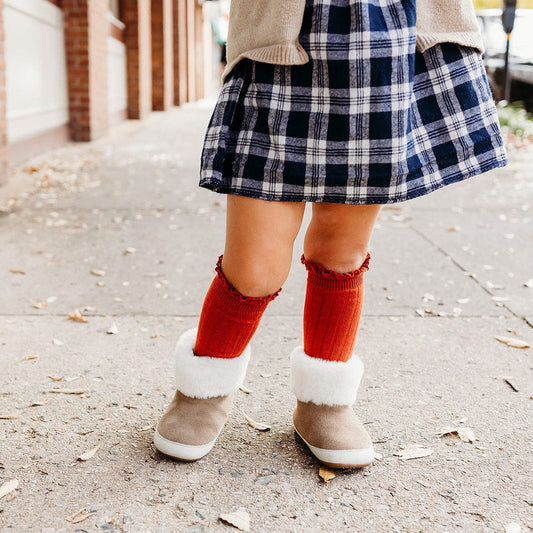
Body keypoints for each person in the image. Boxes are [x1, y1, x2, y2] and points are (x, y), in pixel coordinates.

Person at [154, 0, 507, 468]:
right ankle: (203, 391)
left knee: (340, 252)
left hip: (384, 53)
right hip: (281, 54)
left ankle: (324, 402)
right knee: (254, 267)